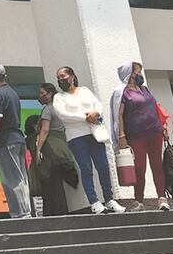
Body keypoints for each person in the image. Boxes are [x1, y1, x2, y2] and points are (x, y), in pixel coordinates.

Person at [52, 66, 126, 215]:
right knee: (86, 169)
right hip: (76, 137)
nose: (61, 80)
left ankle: (109, 199)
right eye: (58, 78)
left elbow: (98, 105)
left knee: (103, 167)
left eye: (63, 76)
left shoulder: (85, 90)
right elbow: (64, 115)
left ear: (72, 77)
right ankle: (94, 202)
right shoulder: (59, 97)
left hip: (95, 134)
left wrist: (96, 113)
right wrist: (86, 117)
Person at [113, 62, 169, 212]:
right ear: (129, 74)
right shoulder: (123, 93)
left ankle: (162, 198)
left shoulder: (145, 89)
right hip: (136, 135)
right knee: (139, 168)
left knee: (157, 165)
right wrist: (121, 135)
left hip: (154, 132)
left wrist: (163, 125)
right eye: (137, 72)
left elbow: (155, 107)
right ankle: (138, 201)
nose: (140, 75)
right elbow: (119, 115)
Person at [0, 63, 31, 219]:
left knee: (11, 179)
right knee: (21, 178)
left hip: (7, 140)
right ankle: (26, 211)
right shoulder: (13, 93)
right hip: (18, 139)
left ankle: (20, 214)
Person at [32, 83, 77, 217]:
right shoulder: (61, 108)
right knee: (59, 181)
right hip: (63, 148)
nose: (40, 96)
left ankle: (58, 213)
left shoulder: (47, 109)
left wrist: (38, 149)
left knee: (53, 182)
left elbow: (45, 130)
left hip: (52, 150)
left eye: (42, 93)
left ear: (50, 94)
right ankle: (62, 210)